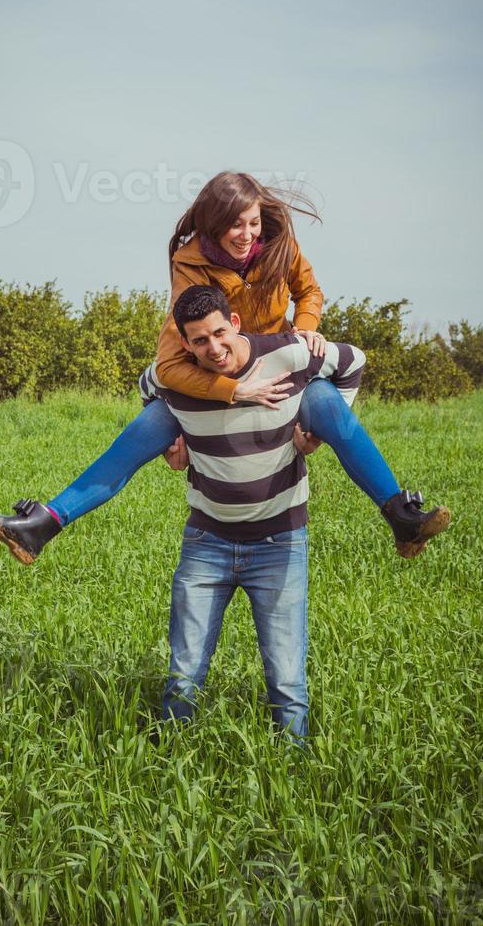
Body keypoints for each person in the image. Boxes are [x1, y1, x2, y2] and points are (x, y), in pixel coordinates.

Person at [0, 171, 449, 564]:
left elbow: (311, 292)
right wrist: (229, 394)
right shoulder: (190, 268)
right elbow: (167, 368)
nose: (246, 236)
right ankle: (42, 525)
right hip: (218, 374)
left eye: (252, 223)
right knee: (148, 427)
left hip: (276, 367)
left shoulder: (280, 244)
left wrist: (306, 326)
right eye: (234, 227)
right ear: (212, 227)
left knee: (325, 401)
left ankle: (402, 518)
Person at [147, 286, 363, 736]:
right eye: (200, 340)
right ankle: (168, 768)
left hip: (280, 542)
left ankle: (292, 780)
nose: (214, 347)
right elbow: (147, 388)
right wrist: (172, 441)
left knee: (287, 681)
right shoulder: (177, 376)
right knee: (183, 675)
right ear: (184, 343)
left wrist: (320, 424)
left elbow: (353, 363)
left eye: (219, 333)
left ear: (236, 323)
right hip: (206, 542)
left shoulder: (286, 354)